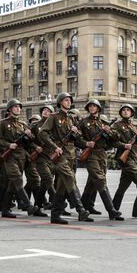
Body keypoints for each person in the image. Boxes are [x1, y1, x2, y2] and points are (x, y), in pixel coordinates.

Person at [39, 92, 93, 224]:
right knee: (69, 177)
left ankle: (55, 215)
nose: (68, 102)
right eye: (66, 100)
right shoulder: (53, 117)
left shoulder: (71, 118)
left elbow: (77, 139)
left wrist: (84, 141)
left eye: (69, 100)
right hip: (59, 154)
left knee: (62, 186)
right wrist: (54, 146)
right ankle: (81, 210)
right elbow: (42, 133)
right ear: (60, 102)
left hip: (71, 154)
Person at [0, 99, 40, 218]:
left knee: (13, 184)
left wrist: (30, 135)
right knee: (17, 179)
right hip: (10, 157)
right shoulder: (3, 123)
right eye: (15, 107)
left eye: (19, 107)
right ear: (9, 109)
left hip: (23, 157)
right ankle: (28, 206)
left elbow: (30, 141)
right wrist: (8, 145)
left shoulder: (23, 124)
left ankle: (5, 209)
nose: (18, 109)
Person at [78, 99, 123, 220]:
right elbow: (76, 138)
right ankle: (111, 210)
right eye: (90, 106)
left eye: (94, 106)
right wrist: (86, 143)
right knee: (100, 179)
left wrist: (110, 132)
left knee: (92, 183)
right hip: (91, 154)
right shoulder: (83, 122)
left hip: (102, 154)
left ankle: (82, 207)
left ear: (98, 108)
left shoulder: (104, 123)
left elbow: (116, 136)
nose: (92, 108)